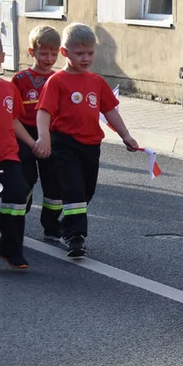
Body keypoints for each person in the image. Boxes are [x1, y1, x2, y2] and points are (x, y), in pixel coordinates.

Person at [34, 23, 139, 260]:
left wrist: (126, 135)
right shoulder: (57, 81)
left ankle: (65, 225)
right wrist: (44, 137)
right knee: (74, 191)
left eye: (89, 53)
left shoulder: (96, 82)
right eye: (79, 53)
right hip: (64, 143)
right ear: (65, 53)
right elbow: (44, 112)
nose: (85, 58)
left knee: (86, 192)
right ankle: (75, 237)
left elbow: (111, 111)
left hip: (91, 145)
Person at [13, 26, 63, 240]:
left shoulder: (59, 79)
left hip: (50, 135)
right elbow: (13, 114)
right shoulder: (20, 79)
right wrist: (32, 141)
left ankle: (51, 226)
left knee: (55, 183)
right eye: (43, 53)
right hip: (24, 134)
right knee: (26, 179)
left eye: (53, 53)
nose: (49, 58)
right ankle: (17, 219)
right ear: (31, 52)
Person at [0, 32, 36, 270]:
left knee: (18, 195)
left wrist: (31, 143)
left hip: (6, 154)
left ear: (2, 57)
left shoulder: (9, 89)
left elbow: (14, 121)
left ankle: (10, 250)